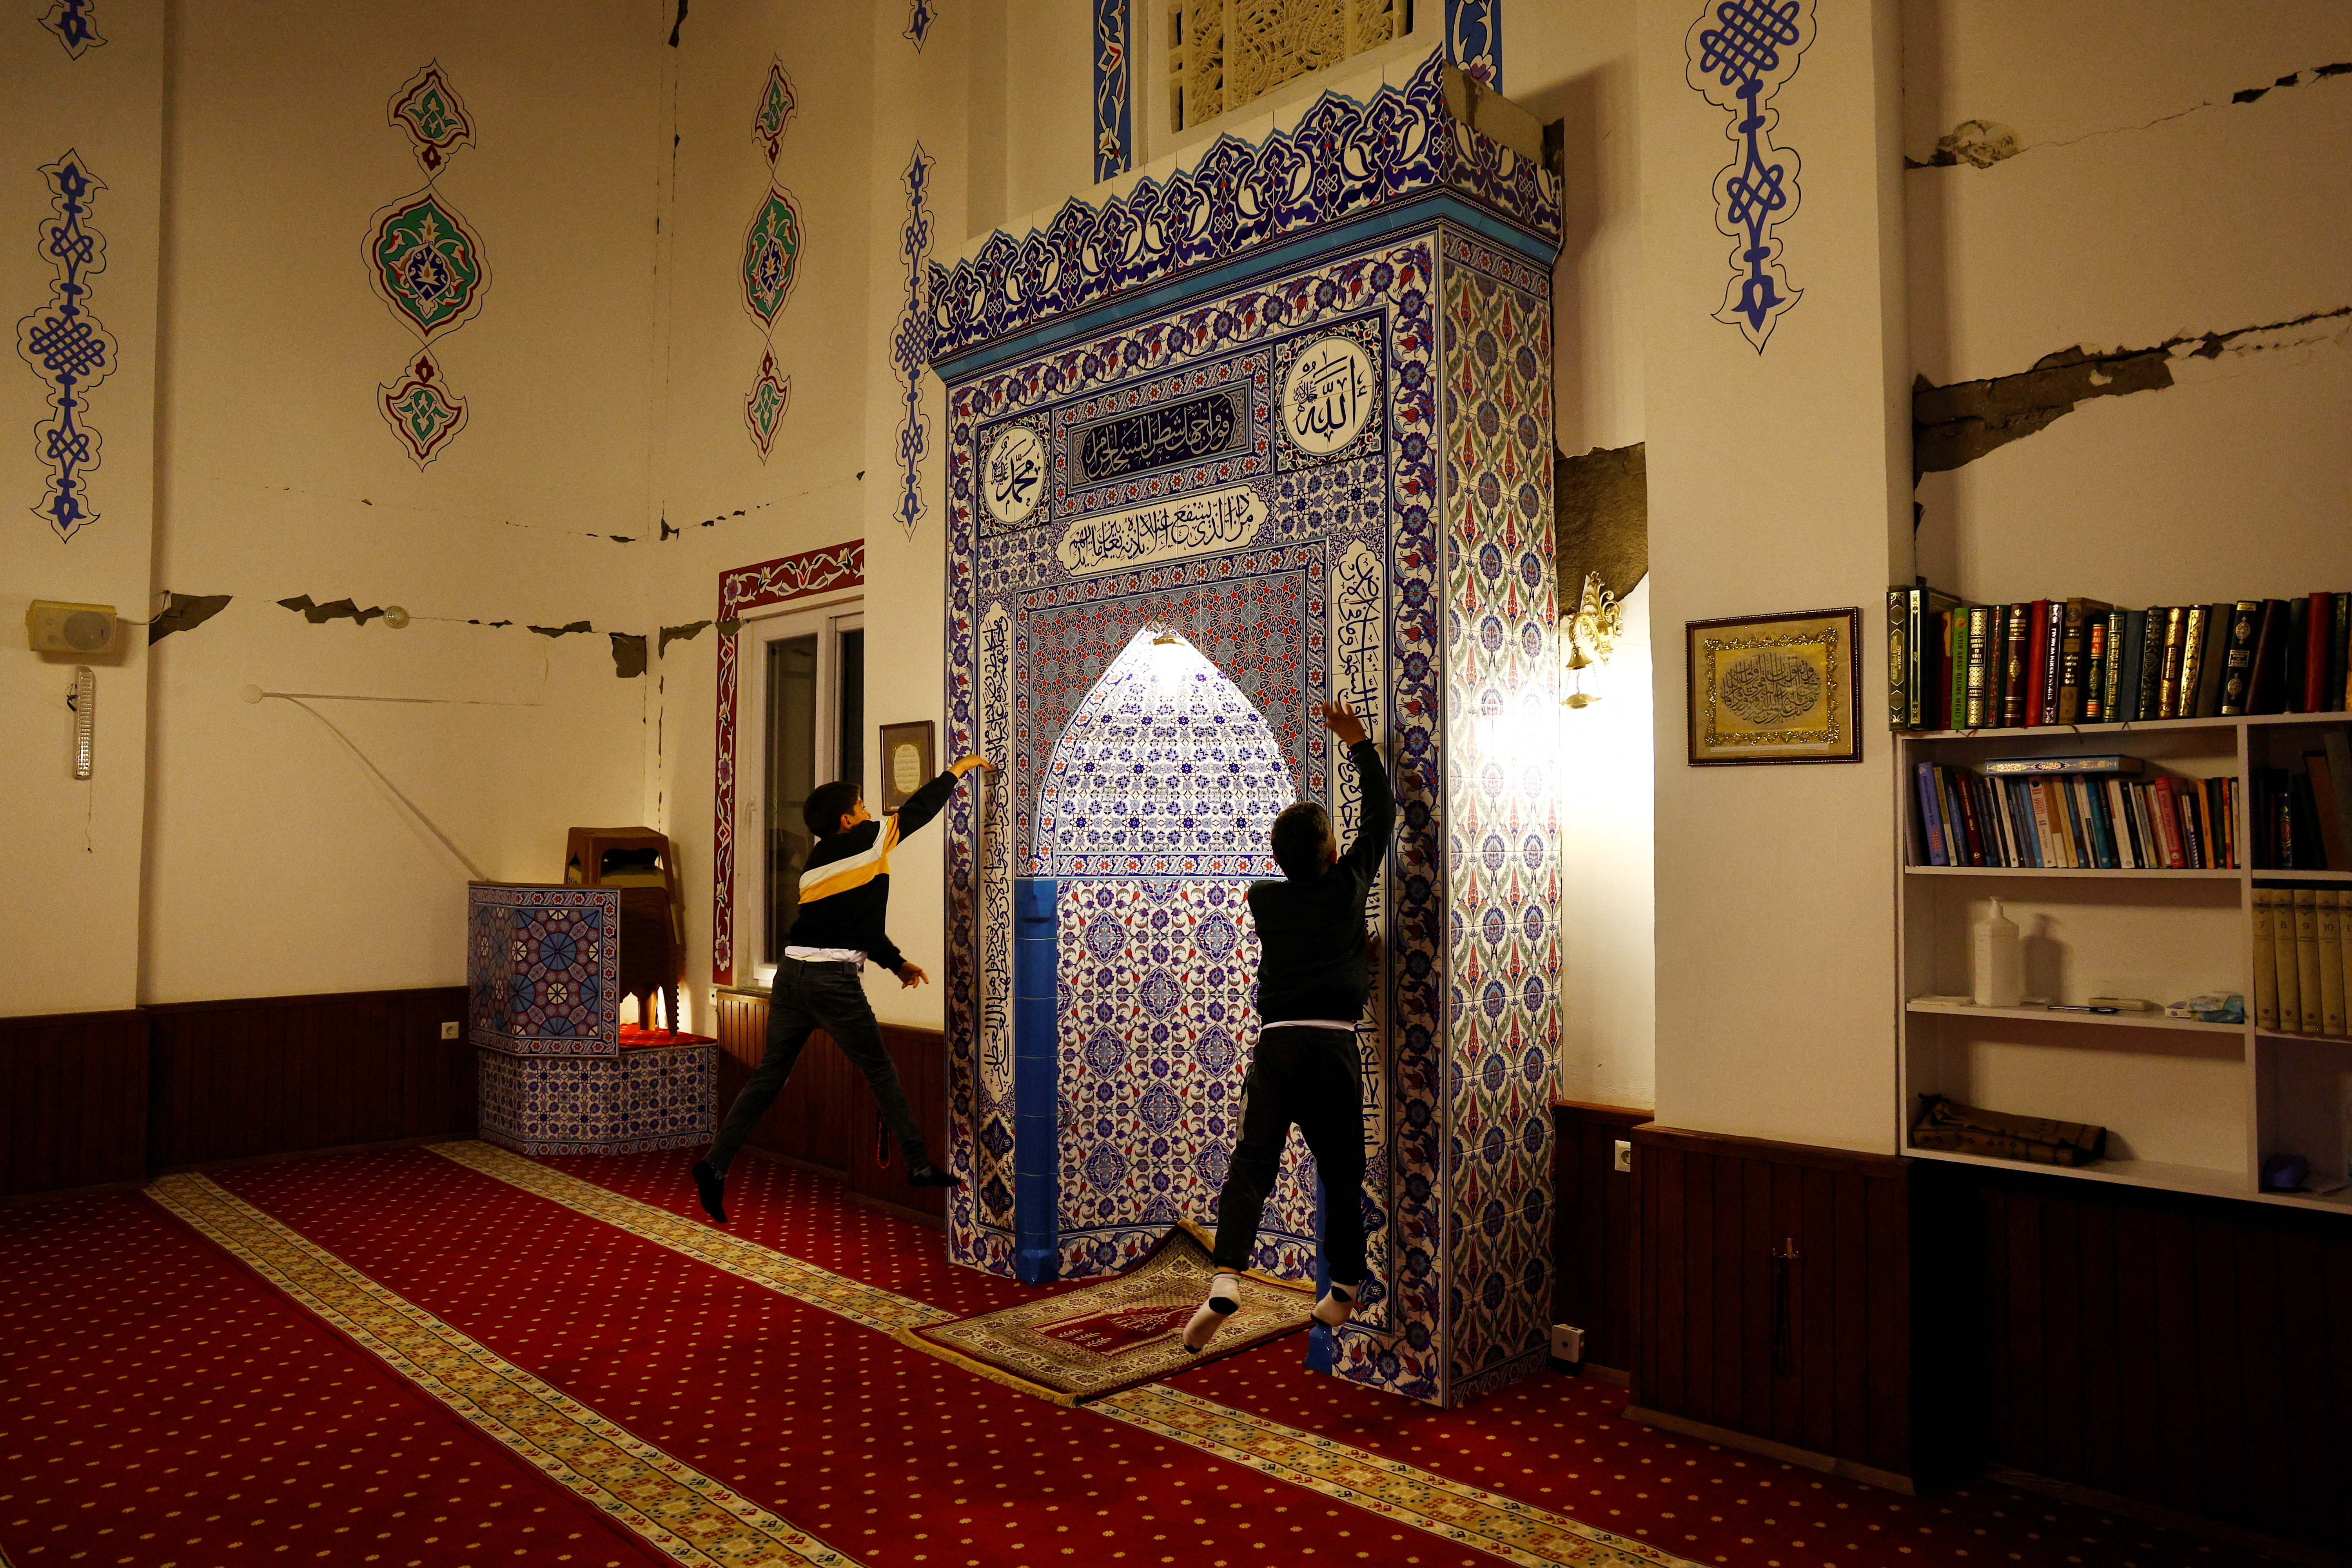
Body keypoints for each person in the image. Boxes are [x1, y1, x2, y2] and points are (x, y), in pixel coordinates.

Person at [692, 752, 991, 1223]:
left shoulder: (816, 864)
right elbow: (916, 812)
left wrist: (896, 964)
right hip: (833, 980)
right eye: (865, 806)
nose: (873, 813)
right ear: (848, 821)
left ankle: (714, 1166)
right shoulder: (868, 840)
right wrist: (957, 771)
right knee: (880, 1070)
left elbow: (860, 927)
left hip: (793, 976)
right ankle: (917, 1164)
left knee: (769, 1077)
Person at [1185, 699, 1391, 1351]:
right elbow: (1382, 819)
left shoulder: (1264, 899)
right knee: (1341, 1173)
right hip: (1332, 1049)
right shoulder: (1348, 886)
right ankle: (1344, 1292)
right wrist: (1358, 741)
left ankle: (1225, 1276)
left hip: (1276, 1049)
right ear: (1334, 852)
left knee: (1252, 1165)